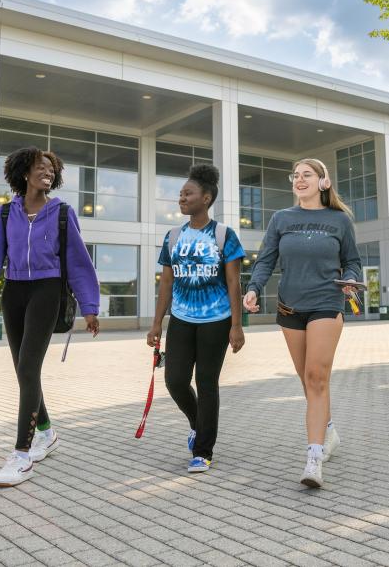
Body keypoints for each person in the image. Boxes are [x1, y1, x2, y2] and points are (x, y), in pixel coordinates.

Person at [0, 147, 100, 487]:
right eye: (40, 167)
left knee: (28, 366)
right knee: (23, 368)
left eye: (51, 169)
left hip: (48, 291)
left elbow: (79, 261)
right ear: (24, 172)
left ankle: (21, 455)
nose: (47, 172)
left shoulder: (62, 213)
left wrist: (90, 306)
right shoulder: (5, 215)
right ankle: (47, 433)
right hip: (15, 292)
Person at [243, 158, 361, 488]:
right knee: (305, 379)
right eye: (295, 176)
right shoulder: (282, 218)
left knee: (315, 376)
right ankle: (329, 431)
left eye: (306, 175)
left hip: (327, 303)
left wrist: (350, 279)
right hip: (290, 307)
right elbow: (266, 260)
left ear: (323, 182)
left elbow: (352, 261)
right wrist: (252, 289)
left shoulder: (339, 220)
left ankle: (313, 458)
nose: (299, 180)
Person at [147, 164, 245, 473]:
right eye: (180, 194)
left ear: (206, 197)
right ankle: (196, 423)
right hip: (181, 318)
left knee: (206, 383)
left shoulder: (223, 234)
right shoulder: (173, 236)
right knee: (174, 380)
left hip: (216, 320)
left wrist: (236, 326)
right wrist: (156, 323)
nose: (181, 199)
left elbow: (233, 283)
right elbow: (166, 282)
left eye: (188, 194)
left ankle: (203, 449)